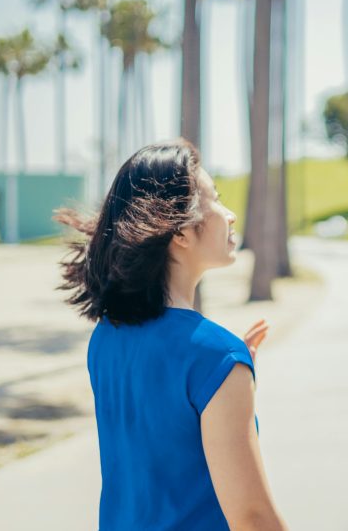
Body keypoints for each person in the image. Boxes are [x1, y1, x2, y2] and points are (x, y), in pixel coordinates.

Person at [59, 139, 287, 531]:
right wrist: (223, 369)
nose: (229, 215)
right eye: (215, 200)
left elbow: (160, 441)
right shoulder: (215, 358)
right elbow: (253, 519)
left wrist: (224, 377)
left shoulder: (105, 338)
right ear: (180, 231)